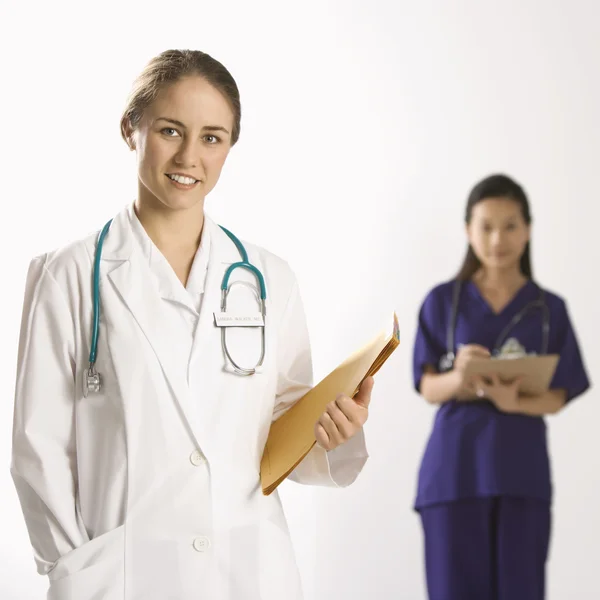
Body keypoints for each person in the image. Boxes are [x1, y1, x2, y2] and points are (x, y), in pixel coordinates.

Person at [10, 49, 373, 600]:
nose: (189, 156)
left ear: (230, 147)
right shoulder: (69, 275)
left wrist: (332, 433)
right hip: (125, 575)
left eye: (212, 137)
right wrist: (79, 569)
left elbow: (281, 424)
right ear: (131, 129)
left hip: (247, 571)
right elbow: (38, 448)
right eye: (171, 130)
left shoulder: (270, 279)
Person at [412, 174, 590, 600]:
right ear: (467, 231)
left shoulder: (549, 309)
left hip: (520, 475)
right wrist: (460, 377)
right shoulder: (443, 302)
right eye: (486, 226)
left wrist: (514, 401)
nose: (498, 239)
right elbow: (426, 386)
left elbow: (560, 393)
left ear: (527, 229)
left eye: (510, 225)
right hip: (454, 475)